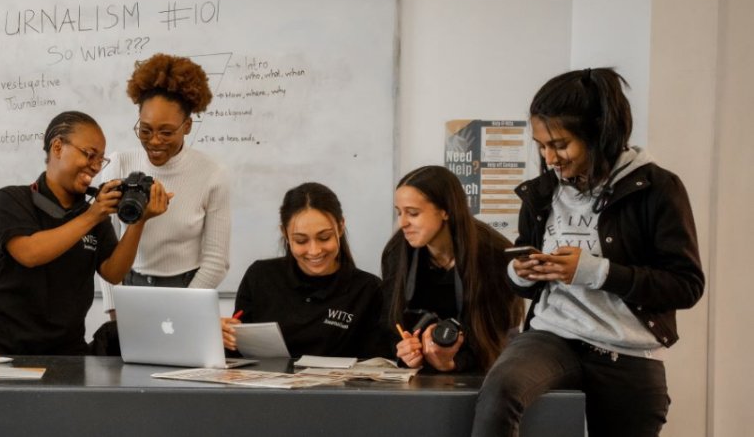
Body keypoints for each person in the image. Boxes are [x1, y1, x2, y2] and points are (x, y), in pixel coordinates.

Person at [472, 68, 704, 437]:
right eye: (541, 145)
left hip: (626, 349)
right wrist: (521, 273)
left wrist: (596, 271)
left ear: (600, 135)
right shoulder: (541, 192)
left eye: (561, 145)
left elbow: (686, 286)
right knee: (499, 391)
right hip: (552, 336)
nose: (549, 158)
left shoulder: (658, 189)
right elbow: (524, 284)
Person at [0, 111, 170, 355]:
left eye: (100, 160)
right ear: (57, 147)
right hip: (5, 348)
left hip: (66, 350)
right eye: (89, 155)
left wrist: (139, 221)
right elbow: (30, 253)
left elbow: (113, 271)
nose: (95, 167)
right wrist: (92, 215)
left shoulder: (93, 213)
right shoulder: (14, 198)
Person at [98, 53, 231, 320]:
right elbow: (105, 248)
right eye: (145, 130)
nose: (155, 141)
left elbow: (217, 261)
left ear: (188, 126)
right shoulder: (119, 164)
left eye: (167, 132)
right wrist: (114, 307)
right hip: (128, 287)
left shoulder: (212, 174)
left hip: (188, 290)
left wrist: (182, 310)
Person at [382, 165, 522, 373]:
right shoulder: (396, 252)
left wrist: (451, 363)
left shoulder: (495, 255)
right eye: (399, 213)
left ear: (445, 210)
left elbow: (496, 337)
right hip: (418, 372)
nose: (402, 223)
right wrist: (407, 353)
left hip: (486, 368)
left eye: (412, 213)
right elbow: (393, 323)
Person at [220, 182, 384, 358]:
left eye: (324, 237)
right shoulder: (260, 276)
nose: (314, 250)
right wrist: (223, 336)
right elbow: (237, 353)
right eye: (301, 241)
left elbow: (375, 363)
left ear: (341, 226)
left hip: (337, 385)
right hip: (266, 384)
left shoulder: (368, 289)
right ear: (285, 233)